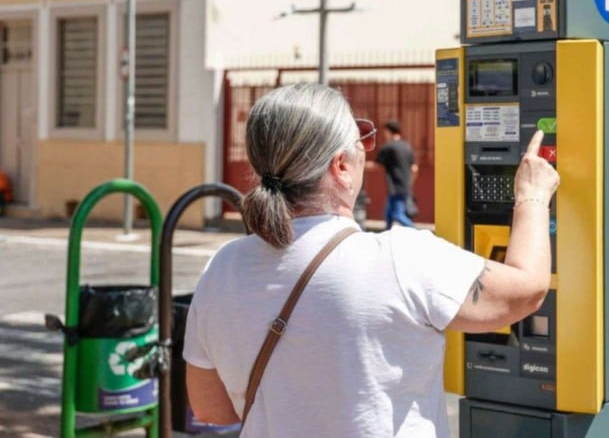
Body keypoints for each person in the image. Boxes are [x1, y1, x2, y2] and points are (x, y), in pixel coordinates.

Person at [184, 83, 559, 437]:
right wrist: (533, 195)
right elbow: (526, 290)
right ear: (340, 166)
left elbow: (210, 408)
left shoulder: (222, 266)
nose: (367, 150)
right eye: (361, 140)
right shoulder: (400, 258)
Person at [371, 120, 418, 229]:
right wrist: (409, 184)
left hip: (395, 187)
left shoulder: (389, 147)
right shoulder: (407, 147)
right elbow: (415, 169)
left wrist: (360, 165)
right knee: (389, 215)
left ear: (388, 131)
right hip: (404, 187)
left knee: (397, 215)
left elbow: (376, 165)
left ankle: (417, 232)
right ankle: (388, 234)